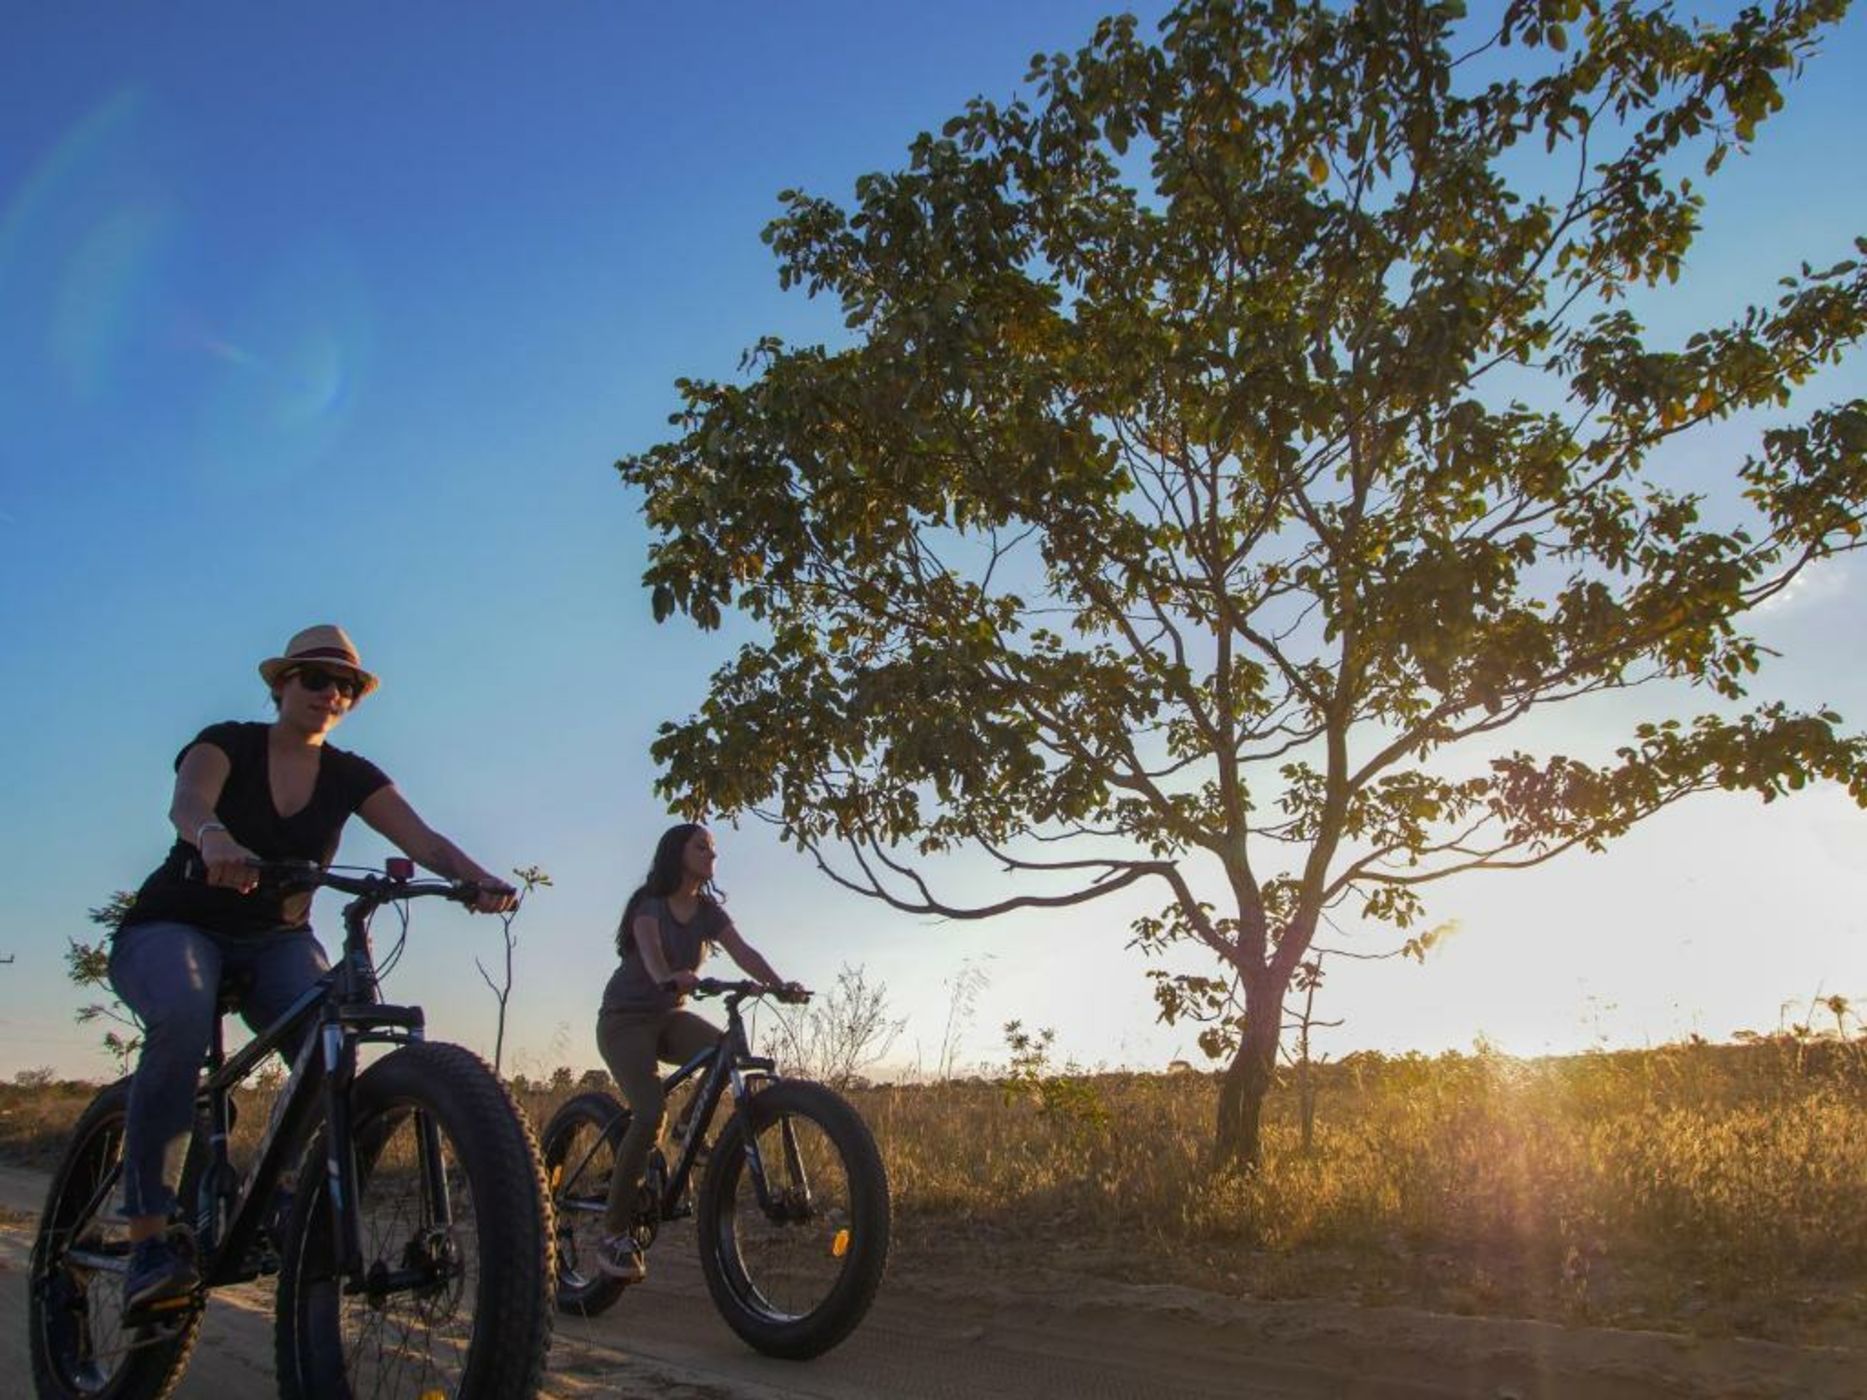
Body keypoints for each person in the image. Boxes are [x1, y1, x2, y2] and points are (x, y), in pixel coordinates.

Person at [107, 624, 516, 1315]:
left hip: (277, 939)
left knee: (334, 1049)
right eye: (316, 679)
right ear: (281, 684)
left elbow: (422, 839)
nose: (331, 694)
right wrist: (214, 839)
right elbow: (189, 802)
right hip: (176, 924)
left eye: (345, 686)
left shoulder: (351, 774)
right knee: (181, 1016)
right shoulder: (227, 741)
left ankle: (288, 1193)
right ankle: (149, 1239)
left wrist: (477, 880)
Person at [594, 822, 795, 1282]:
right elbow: (649, 954)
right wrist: (669, 974)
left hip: (668, 1017)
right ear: (676, 853)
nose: (711, 855)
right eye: (700, 846)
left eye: (713, 848)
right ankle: (612, 1233)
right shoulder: (649, 905)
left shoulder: (708, 911)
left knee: (725, 1049)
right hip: (624, 1019)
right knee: (648, 1113)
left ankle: (689, 1127)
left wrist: (780, 985)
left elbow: (743, 951)